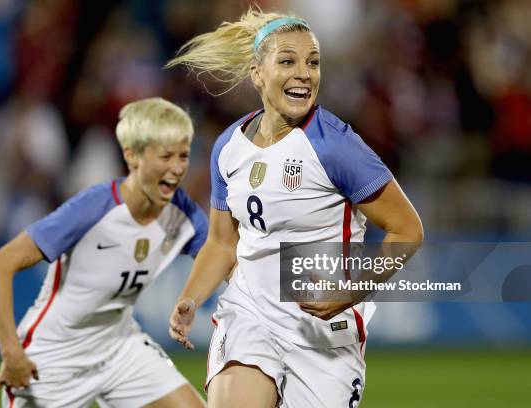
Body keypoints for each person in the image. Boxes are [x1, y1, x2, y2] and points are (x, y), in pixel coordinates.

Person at [165, 9, 424, 408]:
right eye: (287, 61)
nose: (304, 73)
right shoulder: (229, 147)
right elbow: (221, 243)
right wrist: (190, 298)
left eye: (313, 62)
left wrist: (351, 290)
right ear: (257, 73)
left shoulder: (336, 147)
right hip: (249, 314)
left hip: (322, 332)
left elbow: (407, 230)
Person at [0, 97, 208, 408]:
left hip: (120, 346)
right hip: (55, 355)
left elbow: (224, 257)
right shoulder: (92, 208)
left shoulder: (183, 213)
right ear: (132, 155)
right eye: (166, 156)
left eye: (184, 156)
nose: (177, 168)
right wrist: (11, 352)